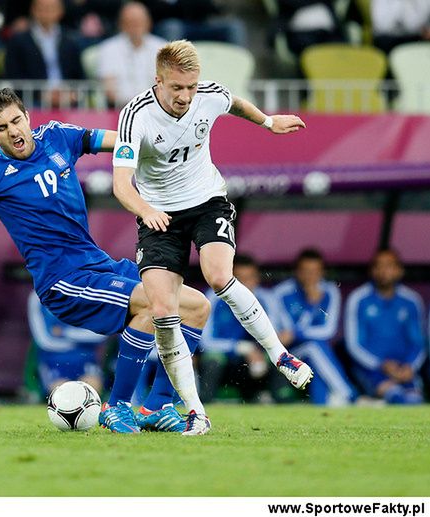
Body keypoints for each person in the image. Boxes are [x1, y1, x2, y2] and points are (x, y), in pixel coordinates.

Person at [0, 87, 211, 435]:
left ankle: (157, 406)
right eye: (1, 128)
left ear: (27, 117)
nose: (13, 131)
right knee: (152, 304)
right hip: (63, 280)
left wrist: (162, 144)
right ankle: (116, 408)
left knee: (197, 306)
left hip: (98, 265)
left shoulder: (58, 137)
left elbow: (119, 140)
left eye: (16, 121)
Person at [111, 40, 312, 433]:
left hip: (207, 202)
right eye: (177, 88)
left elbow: (233, 101)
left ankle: (280, 356)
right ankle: (194, 412)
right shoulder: (136, 115)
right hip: (158, 217)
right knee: (164, 313)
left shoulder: (208, 94)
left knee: (219, 276)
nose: (186, 96)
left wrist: (268, 122)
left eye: (191, 86)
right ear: (159, 81)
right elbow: (121, 185)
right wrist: (147, 211)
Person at [198, 254, 292, 403]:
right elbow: (205, 341)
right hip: (227, 360)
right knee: (212, 360)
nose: (245, 284)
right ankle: (204, 406)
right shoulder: (213, 297)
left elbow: (284, 333)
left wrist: (259, 350)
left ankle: (282, 403)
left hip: (259, 358)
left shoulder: (268, 298)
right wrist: (243, 348)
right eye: (239, 279)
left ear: (257, 279)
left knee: (279, 358)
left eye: (250, 278)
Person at [274, 248, 358, 405]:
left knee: (315, 350)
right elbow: (286, 333)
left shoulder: (330, 291)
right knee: (314, 347)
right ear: (297, 272)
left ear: (322, 272)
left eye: (315, 271)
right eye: (305, 271)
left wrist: (299, 329)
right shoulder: (282, 292)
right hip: (289, 352)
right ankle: (350, 396)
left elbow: (328, 331)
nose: (310, 276)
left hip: (316, 351)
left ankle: (323, 403)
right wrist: (311, 305)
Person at [344, 249, 426, 404]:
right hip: (371, 369)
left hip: (404, 370)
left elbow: (418, 342)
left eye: (389, 266)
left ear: (399, 270)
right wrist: (381, 364)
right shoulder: (359, 298)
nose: (383, 271)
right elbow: (354, 345)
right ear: (372, 270)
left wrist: (410, 366)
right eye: (378, 266)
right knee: (395, 397)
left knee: (414, 401)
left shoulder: (411, 300)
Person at [3, 0, 85, 107]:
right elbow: (14, 76)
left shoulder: (71, 41)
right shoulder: (18, 41)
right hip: (32, 102)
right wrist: (42, 95)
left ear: (61, 11)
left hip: (68, 102)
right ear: (33, 9)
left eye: (51, 7)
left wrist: (72, 94)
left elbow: (79, 77)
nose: (46, 12)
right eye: (42, 7)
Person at [27, 290, 108, 396]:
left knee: (90, 389)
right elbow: (43, 341)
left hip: (85, 357)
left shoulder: (92, 290)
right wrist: (79, 340)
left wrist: (65, 332)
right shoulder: (38, 294)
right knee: (62, 392)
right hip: (54, 359)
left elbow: (100, 335)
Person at [97, 2, 166, 108]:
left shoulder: (163, 47)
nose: (136, 26)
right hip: (120, 110)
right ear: (121, 24)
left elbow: (168, 85)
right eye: (131, 22)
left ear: (149, 23)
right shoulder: (108, 49)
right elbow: (110, 92)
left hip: (157, 109)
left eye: (140, 21)